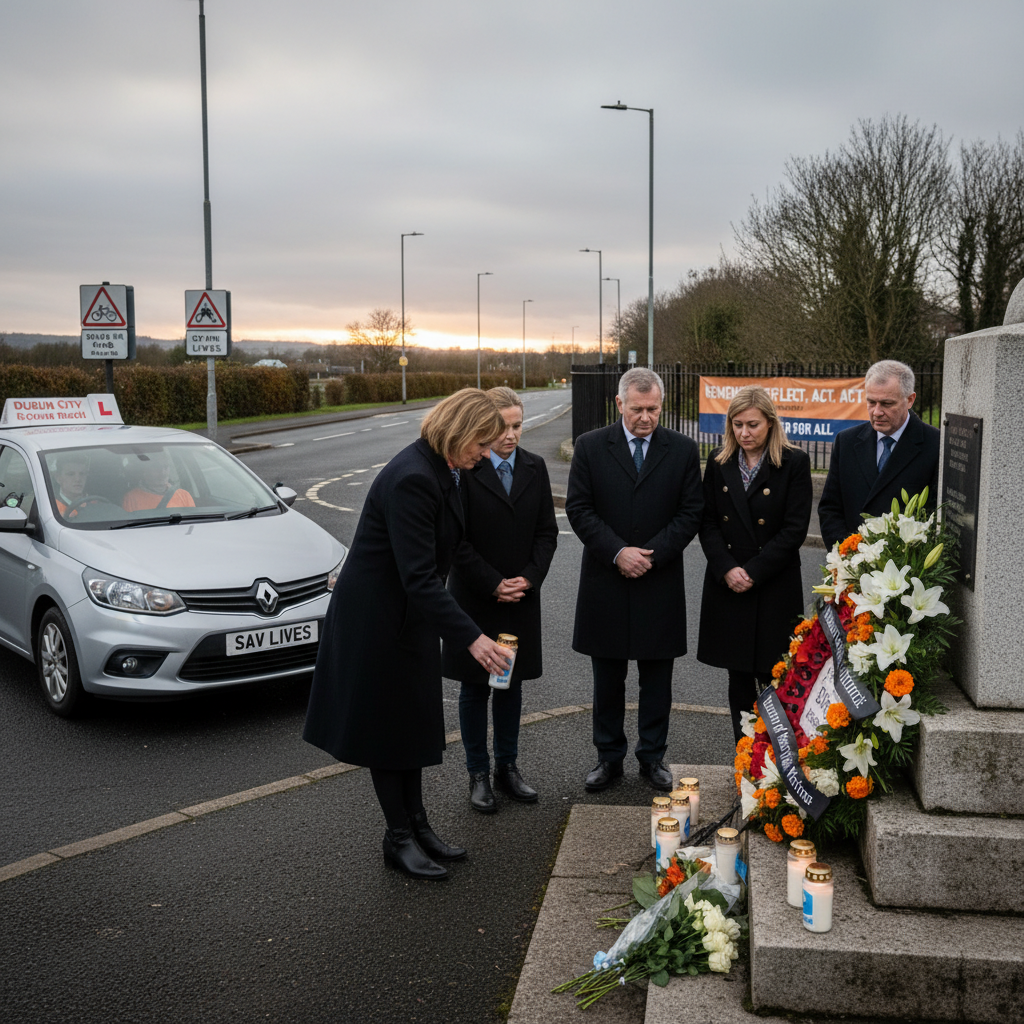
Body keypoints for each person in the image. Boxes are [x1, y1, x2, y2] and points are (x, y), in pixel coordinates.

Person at [303, 388, 513, 881]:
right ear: (459, 431)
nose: (486, 455)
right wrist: (473, 639)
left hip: (410, 616)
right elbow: (419, 576)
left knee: (411, 726)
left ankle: (418, 826)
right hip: (376, 622)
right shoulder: (413, 478)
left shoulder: (445, 468)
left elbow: (449, 551)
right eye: (482, 444)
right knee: (387, 731)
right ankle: (398, 838)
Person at [565, 367, 703, 792]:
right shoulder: (590, 446)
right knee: (607, 679)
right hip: (606, 579)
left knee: (657, 680)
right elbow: (579, 508)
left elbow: (691, 512)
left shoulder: (682, 449)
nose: (646, 418)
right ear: (619, 404)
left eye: (653, 409)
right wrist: (618, 552)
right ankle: (608, 759)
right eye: (638, 409)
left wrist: (651, 556)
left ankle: (652, 757)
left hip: (658, 580)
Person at [441, 387, 558, 813]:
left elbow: (547, 532)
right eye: (502, 427)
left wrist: (529, 578)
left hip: (520, 597)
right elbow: (456, 541)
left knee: (511, 685)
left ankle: (507, 768)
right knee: (476, 688)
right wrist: (493, 583)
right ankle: (478, 773)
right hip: (476, 598)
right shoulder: (465, 469)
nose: (510, 435)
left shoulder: (535, 466)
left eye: (517, 425)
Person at [696, 386, 812, 742]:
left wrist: (754, 571)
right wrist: (726, 568)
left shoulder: (793, 462)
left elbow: (794, 529)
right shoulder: (719, 461)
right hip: (729, 582)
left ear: (770, 423)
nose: (744, 433)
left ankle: (776, 759)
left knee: (776, 676)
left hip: (773, 583)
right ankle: (745, 755)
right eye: (737, 425)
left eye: (752, 425)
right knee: (739, 678)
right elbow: (708, 522)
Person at [818, 360, 940, 551]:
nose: (877, 412)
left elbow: (935, 517)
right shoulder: (846, 441)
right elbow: (830, 509)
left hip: (904, 563)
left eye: (887, 403)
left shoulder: (935, 444)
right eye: (871, 402)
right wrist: (848, 554)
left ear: (910, 400)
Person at [122, 451, 195, 512]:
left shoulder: (184, 495)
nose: (163, 473)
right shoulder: (131, 498)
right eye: (157, 468)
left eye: (165, 467)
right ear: (145, 471)